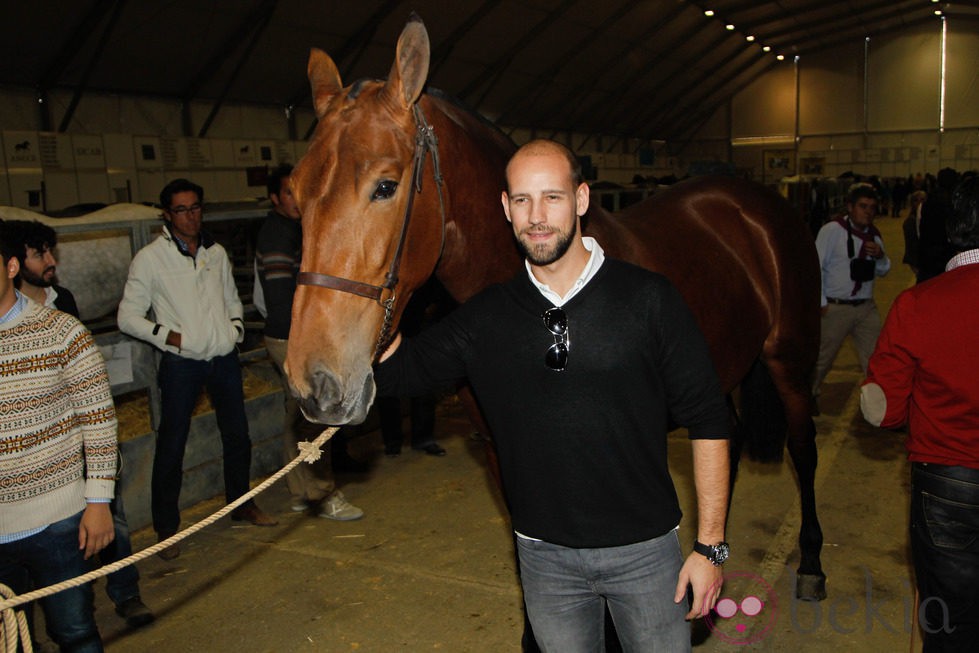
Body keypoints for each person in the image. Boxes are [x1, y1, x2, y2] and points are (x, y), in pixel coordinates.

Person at [374, 140, 730, 651]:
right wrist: (384, 292)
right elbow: (395, 375)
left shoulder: (649, 299)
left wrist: (710, 547)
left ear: (582, 199)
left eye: (552, 197)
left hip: (645, 554)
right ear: (505, 208)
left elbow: (708, 418)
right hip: (545, 562)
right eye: (522, 200)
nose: (536, 217)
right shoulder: (485, 316)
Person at [4, 219, 154, 628]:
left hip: (65, 484)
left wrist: (98, 495)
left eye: (51, 251)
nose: (51, 261)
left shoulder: (61, 311)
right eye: (42, 253)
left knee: (111, 527)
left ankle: (126, 592)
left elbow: (97, 414)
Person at [118, 178, 276, 561]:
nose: (190, 216)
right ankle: (167, 529)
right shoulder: (151, 259)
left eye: (196, 207)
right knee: (172, 443)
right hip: (182, 364)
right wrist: (169, 337)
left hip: (222, 357)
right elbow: (127, 317)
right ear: (167, 215)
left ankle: (241, 503)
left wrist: (235, 328)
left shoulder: (216, 253)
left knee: (237, 434)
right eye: (181, 210)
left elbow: (230, 299)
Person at [860, 174, 979, 651]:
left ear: (953, 229)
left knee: (950, 621)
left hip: (948, 486)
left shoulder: (917, 304)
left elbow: (882, 412)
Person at [255, 165, 363, 521]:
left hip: (291, 332)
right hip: (292, 335)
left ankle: (299, 490)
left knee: (295, 412)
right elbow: (280, 295)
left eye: (300, 192)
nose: (296, 200)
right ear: (274, 198)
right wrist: (311, 337)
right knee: (317, 412)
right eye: (288, 193)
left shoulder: (295, 229)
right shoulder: (278, 236)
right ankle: (323, 492)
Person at [811, 183, 891, 409]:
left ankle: (878, 407)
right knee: (821, 359)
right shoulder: (832, 231)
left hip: (865, 307)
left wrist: (881, 256)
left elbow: (884, 270)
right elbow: (815, 266)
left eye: (872, 207)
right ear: (850, 207)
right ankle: (809, 395)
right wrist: (821, 302)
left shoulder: (874, 235)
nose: (868, 212)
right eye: (863, 206)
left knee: (876, 359)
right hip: (836, 307)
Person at [378, 278, 451, 458]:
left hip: (420, 327)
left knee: (424, 387)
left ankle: (424, 438)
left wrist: (434, 309)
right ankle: (392, 441)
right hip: (389, 329)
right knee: (387, 389)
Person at [917, 168, 959, 283]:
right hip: (945, 255)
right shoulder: (952, 202)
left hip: (927, 254)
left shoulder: (928, 199)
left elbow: (920, 227)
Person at [902, 190, 927, 280]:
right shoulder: (910, 222)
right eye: (916, 200)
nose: (920, 203)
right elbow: (910, 248)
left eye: (923, 200)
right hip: (919, 266)